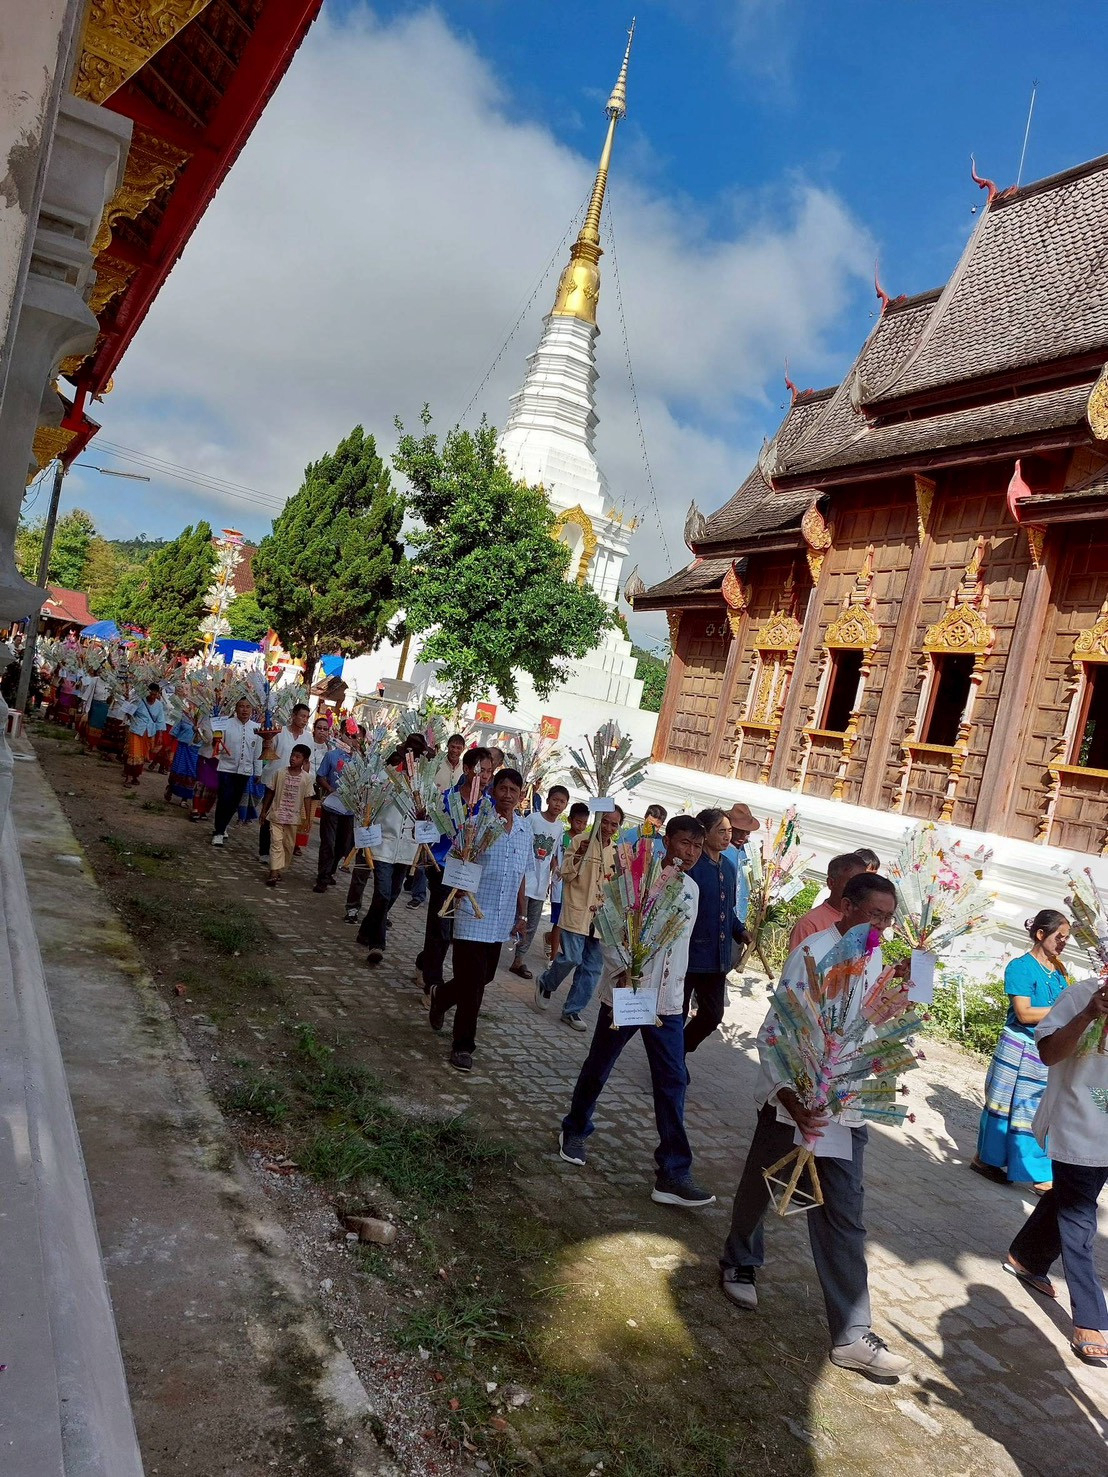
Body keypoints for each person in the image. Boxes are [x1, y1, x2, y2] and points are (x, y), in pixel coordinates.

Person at [718, 872, 910, 1378]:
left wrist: (898, 1003)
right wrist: (787, 1095)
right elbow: (778, 1031)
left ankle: (851, 1333)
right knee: (763, 1184)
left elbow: (868, 1026)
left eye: (889, 919)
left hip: (845, 1105)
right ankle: (740, 1259)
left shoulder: (873, 958)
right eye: (874, 915)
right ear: (845, 906)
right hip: (796, 1097)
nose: (882, 927)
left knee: (844, 1211)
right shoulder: (813, 955)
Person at [558, 816, 717, 1207]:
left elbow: (679, 947)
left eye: (698, 847)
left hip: (667, 1003)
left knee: (672, 1079)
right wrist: (625, 969)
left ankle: (673, 1171)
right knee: (600, 1065)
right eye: (684, 843)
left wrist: (682, 990)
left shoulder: (692, 889)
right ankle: (575, 1128)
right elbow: (610, 929)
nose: (690, 853)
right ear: (667, 841)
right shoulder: (635, 877)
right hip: (627, 993)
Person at [1003, 972, 1108, 1363]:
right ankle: (1090, 1317)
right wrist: (1088, 1014)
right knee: (1080, 1215)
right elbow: (1048, 1053)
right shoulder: (1083, 993)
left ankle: (1026, 1257)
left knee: (1072, 1196)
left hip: (1106, 1126)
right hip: (1076, 1118)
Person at [428, 768, 531, 1071]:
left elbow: (521, 876)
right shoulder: (476, 824)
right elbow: (456, 862)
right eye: (503, 788)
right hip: (472, 913)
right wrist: (457, 887)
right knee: (474, 986)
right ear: (493, 790)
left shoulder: (524, 832)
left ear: (520, 795)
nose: (508, 795)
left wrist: (522, 914)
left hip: (500, 919)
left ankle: (441, 996)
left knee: (483, 977)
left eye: (514, 790)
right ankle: (463, 1046)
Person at [973, 910, 1071, 1192]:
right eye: (1059, 936)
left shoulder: (1059, 971)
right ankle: (986, 1159)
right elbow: (1024, 1013)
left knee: (1035, 1110)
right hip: (1017, 1048)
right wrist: (1065, 1010)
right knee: (1002, 1106)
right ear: (1040, 934)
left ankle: (1038, 1172)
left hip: (1043, 1048)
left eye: (1067, 938)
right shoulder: (1020, 967)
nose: (1063, 943)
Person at [533, 806, 622, 1030]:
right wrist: (580, 855)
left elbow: (617, 887)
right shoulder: (580, 841)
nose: (608, 828)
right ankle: (546, 982)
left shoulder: (617, 852)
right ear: (597, 819)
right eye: (605, 821)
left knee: (592, 968)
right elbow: (565, 873)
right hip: (577, 911)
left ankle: (572, 1010)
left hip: (601, 919)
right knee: (571, 958)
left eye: (614, 824)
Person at [414, 746, 494, 982]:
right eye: (480, 770)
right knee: (440, 924)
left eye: (489, 771)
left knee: (450, 930)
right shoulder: (446, 799)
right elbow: (430, 831)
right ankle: (432, 983)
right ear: (467, 769)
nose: (485, 776)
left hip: (470, 873)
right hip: (442, 868)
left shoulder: (489, 806)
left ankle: (424, 962)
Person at [354, 734, 427, 965]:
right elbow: (368, 805)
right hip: (383, 843)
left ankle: (366, 930)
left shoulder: (423, 785)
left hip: (406, 848)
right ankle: (377, 944)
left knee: (393, 893)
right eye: (411, 755)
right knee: (383, 893)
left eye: (418, 757)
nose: (414, 760)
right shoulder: (386, 776)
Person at [684, 808, 749, 1055]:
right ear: (705, 832)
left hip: (716, 958)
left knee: (712, 1015)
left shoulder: (729, 868)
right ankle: (671, 1065)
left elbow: (727, 910)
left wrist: (740, 930)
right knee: (676, 1012)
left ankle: (678, 1051)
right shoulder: (693, 866)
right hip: (688, 955)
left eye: (729, 831)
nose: (727, 836)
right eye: (721, 831)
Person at [509, 784, 570, 980]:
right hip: (523, 880)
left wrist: (555, 871)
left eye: (562, 802)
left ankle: (519, 959)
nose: (557, 804)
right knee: (514, 917)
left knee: (532, 924)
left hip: (541, 884)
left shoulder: (559, 827)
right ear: (548, 800)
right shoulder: (533, 819)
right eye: (555, 800)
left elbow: (552, 854)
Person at [259, 702, 311, 866]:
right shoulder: (279, 732)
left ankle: (281, 851)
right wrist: (266, 743)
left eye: (307, 717)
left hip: (294, 784)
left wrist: (305, 780)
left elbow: (307, 761)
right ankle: (264, 850)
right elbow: (267, 751)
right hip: (275, 778)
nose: (304, 720)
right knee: (268, 813)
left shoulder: (308, 737)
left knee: (287, 818)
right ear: (293, 715)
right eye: (302, 716)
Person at [314, 726, 363, 893]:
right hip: (332, 806)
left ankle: (330, 871)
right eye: (348, 735)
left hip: (350, 809)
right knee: (328, 842)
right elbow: (320, 776)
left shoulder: (362, 761)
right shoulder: (332, 755)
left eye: (355, 737)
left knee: (343, 845)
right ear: (341, 734)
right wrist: (329, 789)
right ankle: (322, 877)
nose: (351, 739)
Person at [787, 853, 867, 952]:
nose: (858, 889)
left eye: (863, 884)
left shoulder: (862, 919)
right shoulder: (809, 924)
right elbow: (799, 961)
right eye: (852, 883)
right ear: (831, 883)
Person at [259, 744, 314, 887]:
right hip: (277, 815)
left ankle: (279, 869)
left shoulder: (307, 778)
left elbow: (307, 798)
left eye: (297, 757)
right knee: (276, 842)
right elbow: (270, 792)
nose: (293, 759)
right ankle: (273, 872)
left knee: (288, 845)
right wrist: (264, 811)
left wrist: (308, 819)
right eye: (292, 755)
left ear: (304, 761)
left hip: (293, 818)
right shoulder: (280, 773)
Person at [211, 698, 262, 846]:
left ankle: (223, 825)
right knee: (224, 800)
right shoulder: (226, 724)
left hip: (245, 771)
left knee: (234, 802)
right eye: (241, 706)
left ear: (252, 710)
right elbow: (218, 747)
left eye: (248, 707)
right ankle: (218, 832)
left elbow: (257, 752)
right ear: (236, 708)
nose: (244, 710)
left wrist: (258, 772)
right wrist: (216, 741)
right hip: (226, 768)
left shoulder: (256, 728)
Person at [547, 802, 589, 963]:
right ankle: (553, 957)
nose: (581, 826)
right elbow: (553, 856)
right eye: (578, 822)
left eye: (584, 823)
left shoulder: (585, 841)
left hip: (575, 889)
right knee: (558, 922)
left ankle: (552, 942)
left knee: (566, 924)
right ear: (570, 820)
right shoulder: (562, 837)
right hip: (560, 884)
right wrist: (554, 871)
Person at [722, 802, 760, 927]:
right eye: (738, 831)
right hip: (722, 913)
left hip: (740, 915)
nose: (743, 836)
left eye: (746, 832)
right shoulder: (721, 850)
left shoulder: (747, 852)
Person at [123, 684, 166, 787]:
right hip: (137, 730)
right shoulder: (139, 700)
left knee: (141, 755)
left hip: (149, 733)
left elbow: (160, 720)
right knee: (134, 753)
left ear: (157, 694)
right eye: (150, 694)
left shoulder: (159, 705)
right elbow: (129, 713)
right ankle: (129, 777)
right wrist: (128, 706)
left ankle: (135, 776)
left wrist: (160, 735)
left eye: (154, 694)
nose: (152, 696)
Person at [165, 708, 200, 806]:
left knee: (192, 773)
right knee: (178, 770)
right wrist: (170, 745)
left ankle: (184, 799)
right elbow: (175, 731)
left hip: (196, 750)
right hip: (183, 747)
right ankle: (171, 789)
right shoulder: (185, 715)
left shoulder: (206, 719)